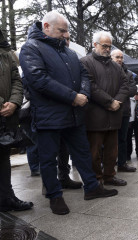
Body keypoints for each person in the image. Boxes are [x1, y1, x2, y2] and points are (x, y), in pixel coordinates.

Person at [19, 11, 118, 215]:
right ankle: (54, 195)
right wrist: (73, 96)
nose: (65, 35)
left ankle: (91, 187)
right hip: (49, 116)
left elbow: (83, 75)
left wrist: (82, 94)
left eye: (67, 31)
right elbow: (38, 79)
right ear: (46, 26)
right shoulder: (31, 48)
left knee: (82, 153)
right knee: (48, 158)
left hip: (74, 115)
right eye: (61, 30)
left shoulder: (69, 52)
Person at [24, 31, 83, 190]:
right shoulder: (36, 52)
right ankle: (48, 186)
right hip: (45, 113)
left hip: (66, 113)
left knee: (63, 148)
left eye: (69, 38)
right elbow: (32, 84)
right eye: (64, 37)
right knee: (47, 151)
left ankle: (64, 176)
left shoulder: (68, 57)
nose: (67, 41)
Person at [81, 31, 129, 186]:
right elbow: (91, 86)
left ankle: (109, 176)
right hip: (95, 115)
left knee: (111, 150)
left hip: (114, 114)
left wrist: (117, 101)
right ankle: (96, 178)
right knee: (94, 151)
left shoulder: (116, 66)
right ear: (95, 45)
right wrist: (110, 102)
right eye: (104, 46)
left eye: (109, 46)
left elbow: (125, 85)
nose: (108, 49)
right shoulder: (85, 62)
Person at [0, 29, 34, 212]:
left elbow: (16, 80)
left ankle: (7, 197)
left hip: (7, 116)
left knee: (3, 157)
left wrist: (13, 102)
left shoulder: (6, 53)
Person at [110, 49, 137, 172]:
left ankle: (122, 163)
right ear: (111, 58)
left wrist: (118, 98)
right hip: (109, 110)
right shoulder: (107, 71)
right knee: (109, 139)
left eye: (121, 57)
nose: (120, 59)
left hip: (124, 111)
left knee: (123, 138)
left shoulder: (129, 73)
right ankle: (109, 165)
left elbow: (132, 90)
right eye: (117, 57)